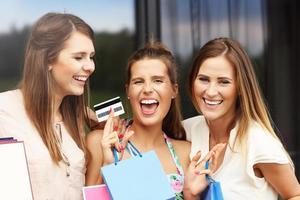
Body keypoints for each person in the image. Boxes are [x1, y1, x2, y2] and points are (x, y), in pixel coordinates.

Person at [182, 37, 300, 199]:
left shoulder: (258, 142)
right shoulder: (186, 131)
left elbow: (295, 194)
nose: (210, 91)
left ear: (239, 87)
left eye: (223, 82)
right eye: (203, 79)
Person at [0, 12, 96, 199]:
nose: (90, 66)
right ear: (48, 60)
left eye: (91, 57)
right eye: (79, 57)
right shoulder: (5, 110)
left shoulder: (76, 121)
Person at [86, 40, 192, 199]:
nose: (147, 89)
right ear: (128, 91)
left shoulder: (186, 152)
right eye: (138, 81)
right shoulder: (100, 142)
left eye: (158, 80)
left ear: (174, 91)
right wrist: (108, 165)